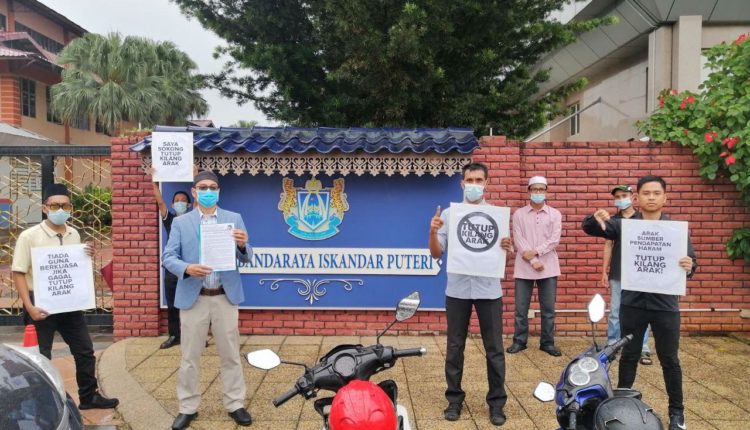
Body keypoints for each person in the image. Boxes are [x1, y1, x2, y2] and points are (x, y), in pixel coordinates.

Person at [582, 175, 696, 430]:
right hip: (632, 303)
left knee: (670, 360)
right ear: (637, 198)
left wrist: (690, 265)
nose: (651, 197)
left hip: (665, 305)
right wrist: (594, 218)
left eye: (657, 193)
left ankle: (677, 413)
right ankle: (621, 409)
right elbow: (591, 229)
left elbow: (691, 262)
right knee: (629, 356)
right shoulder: (625, 225)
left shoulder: (675, 229)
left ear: (665, 198)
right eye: (646, 193)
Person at [11, 183, 119, 410]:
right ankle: (43, 403)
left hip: (69, 303)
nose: (60, 210)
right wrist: (29, 307)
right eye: (55, 206)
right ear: (44, 208)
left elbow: (72, 265)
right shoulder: (29, 236)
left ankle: (89, 397)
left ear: (71, 208)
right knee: (41, 356)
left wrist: (86, 254)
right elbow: (18, 272)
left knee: (84, 351)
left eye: (65, 206)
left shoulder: (74, 234)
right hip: (40, 304)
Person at [163, 170, 253, 429]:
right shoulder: (181, 223)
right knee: (190, 357)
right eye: (202, 187)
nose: (208, 191)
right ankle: (187, 407)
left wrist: (243, 245)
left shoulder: (233, 219)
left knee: (231, 355)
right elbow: (168, 257)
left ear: (219, 191)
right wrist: (187, 268)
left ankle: (235, 403)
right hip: (195, 299)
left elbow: (247, 257)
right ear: (194, 192)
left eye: (212, 187)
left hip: (225, 297)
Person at [428, 162, 513, 427]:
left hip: (489, 290)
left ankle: (496, 404)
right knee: (455, 347)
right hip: (457, 290)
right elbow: (436, 252)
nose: (474, 185)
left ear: (486, 183)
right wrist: (432, 232)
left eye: (479, 180)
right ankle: (454, 399)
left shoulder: (497, 216)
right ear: (462, 183)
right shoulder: (450, 215)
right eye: (470, 180)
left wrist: (508, 249)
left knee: (494, 349)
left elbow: (503, 259)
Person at [507, 176, 563, 357]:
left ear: (546, 191)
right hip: (524, 267)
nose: (538, 192)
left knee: (548, 309)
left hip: (548, 266)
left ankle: (547, 343)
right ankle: (519, 341)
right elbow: (518, 239)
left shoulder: (555, 214)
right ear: (529, 191)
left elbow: (554, 240)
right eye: (534, 189)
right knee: (521, 309)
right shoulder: (519, 214)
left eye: (541, 189)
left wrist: (537, 253)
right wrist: (533, 260)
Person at [600, 185, 652, 365]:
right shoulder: (613, 221)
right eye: (617, 196)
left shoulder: (643, 218)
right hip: (618, 272)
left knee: (642, 312)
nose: (621, 199)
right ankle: (612, 345)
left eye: (624, 195)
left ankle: (642, 347)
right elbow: (608, 245)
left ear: (633, 197)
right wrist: (604, 270)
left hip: (640, 273)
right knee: (616, 311)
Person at [146, 167, 193, 349]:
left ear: (189, 205)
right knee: (173, 304)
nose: (180, 203)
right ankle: (175, 335)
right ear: (173, 205)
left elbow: (198, 199)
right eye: (177, 201)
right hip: (173, 268)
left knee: (193, 304)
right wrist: (154, 180)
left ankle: (195, 336)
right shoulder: (170, 219)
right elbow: (159, 201)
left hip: (191, 267)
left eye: (183, 201)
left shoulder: (194, 219)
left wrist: (195, 176)